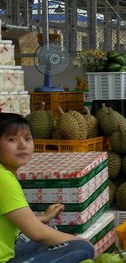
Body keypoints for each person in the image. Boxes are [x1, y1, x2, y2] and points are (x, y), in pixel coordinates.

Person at [0, 113, 94, 263]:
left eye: (27, 138)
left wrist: (43, 218)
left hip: (9, 248)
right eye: (12, 139)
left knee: (53, 232)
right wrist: (81, 242)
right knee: (82, 249)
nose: (22, 145)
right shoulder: (3, 179)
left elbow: (15, 222)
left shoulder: (5, 173)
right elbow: (37, 234)